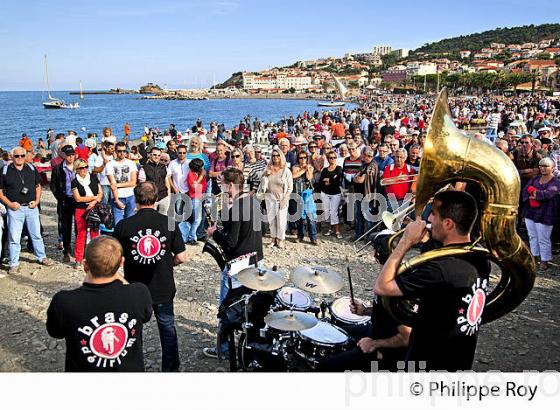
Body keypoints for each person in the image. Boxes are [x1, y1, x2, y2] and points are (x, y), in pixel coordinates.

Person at [374, 190, 491, 371]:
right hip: (460, 355)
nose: (429, 221)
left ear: (448, 223)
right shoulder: (478, 255)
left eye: (433, 215)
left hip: (429, 360)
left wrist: (405, 241)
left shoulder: (442, 268)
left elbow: (382, 287)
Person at [46, 236, 152, 372]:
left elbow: (55, 332)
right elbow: (146, 315)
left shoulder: (64, 302)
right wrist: (115, 271)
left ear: (85, 265)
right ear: (122, 263)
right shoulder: (139, 293)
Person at [113, 182, 188, 372]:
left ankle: (134, 367)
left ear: (136, 200)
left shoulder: (124, 225)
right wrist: (167, 262)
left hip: (135, 289)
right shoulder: (169, 223)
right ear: (156, 199)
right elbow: (181, 257)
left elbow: (113, 259)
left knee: (133, 330)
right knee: (167, 328)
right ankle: (170, 369)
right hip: (163, 286)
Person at [203, 167, 264, 359]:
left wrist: (214, 233)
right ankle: (251, 344)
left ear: (230, 185)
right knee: (250, 305)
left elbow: (231, 241)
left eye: (221, 183)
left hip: (239, 264)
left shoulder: (238, 206)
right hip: (256, 259)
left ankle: (223, 349)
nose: (220, 187)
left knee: (226, 307)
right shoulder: (252, 201)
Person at [318, 294, 411, 372]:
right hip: (374, 331)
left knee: (325, 366)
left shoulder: (403, 288)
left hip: (388, 352)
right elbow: (386, 309)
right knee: (332, 332)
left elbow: (407, 337)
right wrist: (365, 311)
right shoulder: (389, 281)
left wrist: (373, 344)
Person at [0, 147, 53, 273]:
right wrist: (10, 204)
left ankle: (42, 257)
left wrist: (37, 201)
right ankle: (14, 263)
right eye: (17, 156)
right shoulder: (5, 170)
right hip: (14, 209)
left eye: (22, 155)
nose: (20, 158)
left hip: (31, 207)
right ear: (12, 157)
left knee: (36, 235)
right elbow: (0, 192)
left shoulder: (31, 168)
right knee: (14, 237)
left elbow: (38, 186)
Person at [521, 157, 560, 271]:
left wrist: (534, 193)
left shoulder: (556, 182)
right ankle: (534, 256)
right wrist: (537, 194)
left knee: (544, 238)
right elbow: (525, 190)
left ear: (552, 168)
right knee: (532, 236)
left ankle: (544, 259)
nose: (543, 168)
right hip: (531, 212)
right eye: (541, 165)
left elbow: (548, 194)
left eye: (546, 166)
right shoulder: (535, 178)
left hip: (546, 213)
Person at [258, 147, 293, 248]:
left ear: (281, 156)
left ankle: (281, 239)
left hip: (281, 197)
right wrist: (265, 173)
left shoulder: (286, 171)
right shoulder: (268, 168)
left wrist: (285, 199)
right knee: (272, 219)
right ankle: (273, 238)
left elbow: (290, 187)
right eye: (273, 155)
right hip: (269, 197)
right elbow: (260, 177)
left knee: (281, 220)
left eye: (278, 155)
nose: (275, 157)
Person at [71, 158, 103, 269]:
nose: (84, 170)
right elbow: (78, 198)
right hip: (81, 209)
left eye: (86, 167)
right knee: (81, 234)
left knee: (95, 233)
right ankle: (78, 258)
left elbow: (100, 192)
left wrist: (93, 202)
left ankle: (95, 258)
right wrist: (93, 198)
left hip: (94, 207)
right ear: (77, 169)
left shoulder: (93, 177)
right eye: (81, 168)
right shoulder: (74, 181)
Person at [50, 145, 77, 262]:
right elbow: (53, 185)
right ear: (64, 155)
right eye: (68, 155)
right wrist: (60, 198)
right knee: (66, 227)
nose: (71, 157)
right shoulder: (57, 168)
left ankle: (78, 249)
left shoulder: (79, 166)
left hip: (78, 200)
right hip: (65, 200)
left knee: (79, 225)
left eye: (72, 155)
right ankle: (66, 249)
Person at [106, 142, 137, 225]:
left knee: (131, 223)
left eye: (124, 151)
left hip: (130, 195)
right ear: (115, 151)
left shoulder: (131, 163)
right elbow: (112, 184)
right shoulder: (110, 164)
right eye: (119, 151)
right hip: (117, 196)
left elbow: (133, 182)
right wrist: (116, 200)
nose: (122, 153)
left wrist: (118, 185)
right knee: (118, 223)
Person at [291, 151, 318, 245]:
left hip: (307, 195)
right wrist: (303, 169)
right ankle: (300, 235)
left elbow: (309, 178)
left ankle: (313, 237)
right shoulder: (295, 167)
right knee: (299, 218)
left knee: (310, 217)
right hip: (297, 195)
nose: (303, 160)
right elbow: (294, 176)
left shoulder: (310, 167)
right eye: (300, 158)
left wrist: (308, 169)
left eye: (304, 158)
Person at [138, 147, 171, 215]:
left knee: (163, 218)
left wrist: (169, 195)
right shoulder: (144, 168)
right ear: (149, 155)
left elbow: (166, 181)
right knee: (151, 219)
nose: (157, 157)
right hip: (151, 199)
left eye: (159, 155)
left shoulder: (164, 167)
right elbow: (142, 185)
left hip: (164, 197)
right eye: (154, 155)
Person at [319, 151, 344, 238]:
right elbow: (321, 180)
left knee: (334, 211)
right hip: (325, 192)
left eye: (334, 157)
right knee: (327, 211)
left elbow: (338, 179)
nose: (332, 159)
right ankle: (330, 229)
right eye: (330, 158)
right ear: (328, 159)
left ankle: (337, 231)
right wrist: (332, 179)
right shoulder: (325, 170)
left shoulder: (339, 168)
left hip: (335, 193)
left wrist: (329, 180)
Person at [183, 159, 207, 245]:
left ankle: (196, 235)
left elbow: (203, 187)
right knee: (197, 219)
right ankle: (192, 237)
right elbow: (194, 187)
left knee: (201, 218)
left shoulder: (200, 175)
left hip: (201, 197)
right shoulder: (191, 174)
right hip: (195, 198)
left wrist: (200, 179)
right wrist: (201, 177)